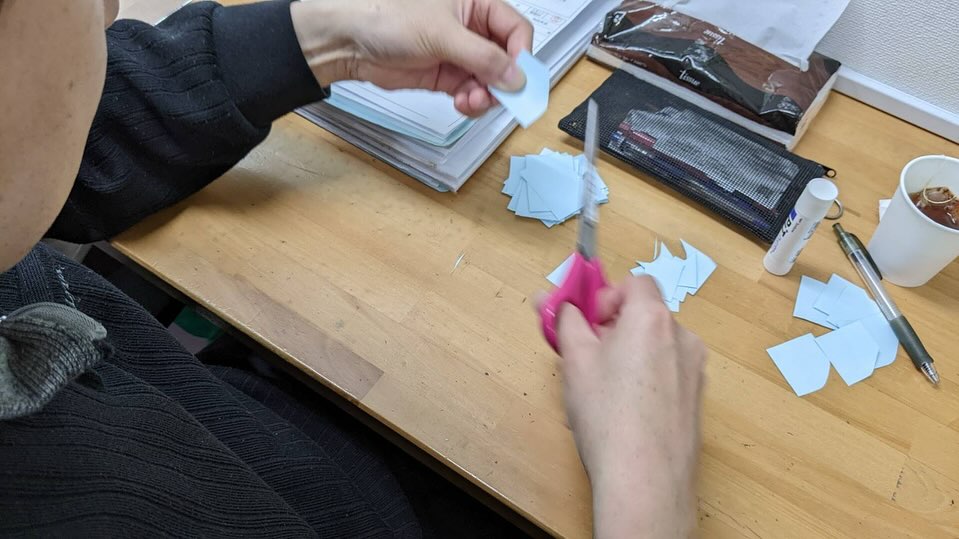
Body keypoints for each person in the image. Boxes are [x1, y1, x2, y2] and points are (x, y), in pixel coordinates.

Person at [0, 0, 706, 536]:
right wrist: (647, 498)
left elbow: (64, 130)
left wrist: (330, 39)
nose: (108, 10)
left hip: (266, 434)